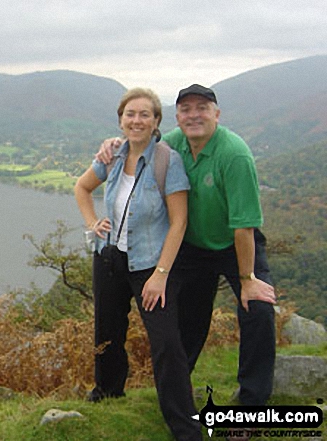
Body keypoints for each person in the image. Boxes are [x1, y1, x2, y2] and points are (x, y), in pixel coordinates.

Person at [96, 85, 276, 429]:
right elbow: (138, 137)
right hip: (192, 247)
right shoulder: (174, 143)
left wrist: (248, 279)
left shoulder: (234, 154)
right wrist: (110, 144)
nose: (194, 115)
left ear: (216, 114)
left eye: (202, 108)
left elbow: (244, 226)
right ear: (176, 117)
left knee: (258, 311)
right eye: (186, 109)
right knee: (189, 320)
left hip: (233, 241)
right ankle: (179, 392)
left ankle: (251, 406)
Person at [75, 87, 202, 441]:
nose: (136, 120)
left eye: (144, 114)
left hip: (151, 264)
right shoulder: (112, 154)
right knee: (108, 330)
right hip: (111, 256)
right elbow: (82, 188)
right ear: (120, 119)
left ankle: (185, 425)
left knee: (165, 343)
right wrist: (92, 225)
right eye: (130, 114)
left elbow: (178, 222)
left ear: (156, 121)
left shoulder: (166, 161)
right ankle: (108, 392)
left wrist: (161, 275)